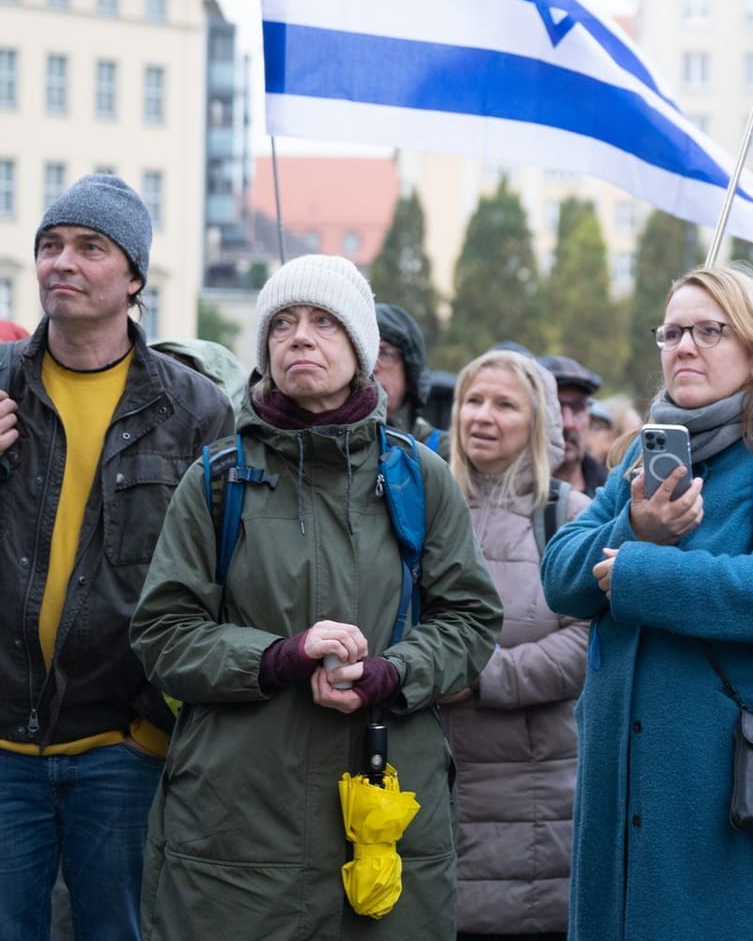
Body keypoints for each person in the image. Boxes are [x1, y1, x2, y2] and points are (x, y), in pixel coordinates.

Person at [131, 255, 504, 940]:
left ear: (361, 350)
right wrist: (279, 657)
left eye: (324, 322)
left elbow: (472, 619)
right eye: (282, 323)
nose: (299, 337)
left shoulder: (420, 477)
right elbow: (163, 633)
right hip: (237, 829)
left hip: (385, 807)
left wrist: (393, 673)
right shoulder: (217, 479)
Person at [540, 265, 753, 941]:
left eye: (710, 330)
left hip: (735, 801)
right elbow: (563, 574)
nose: (684, 345)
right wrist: (635, 528)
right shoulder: (647, 454)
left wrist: (639, 571)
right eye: (673, 330)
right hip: (622, 794)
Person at [0, 175, 234, 941]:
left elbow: (222, 584)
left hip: (123, 748)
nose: (62, 262)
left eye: (89, 248)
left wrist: (155, 726)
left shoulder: (197, 411)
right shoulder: (2, 388)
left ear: (134, 276)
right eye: (50, 245)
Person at [443, 350, 589, 941]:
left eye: (505, 404)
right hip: (435, 783)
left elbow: (588, 642)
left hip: (534, 800)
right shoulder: (420, 507)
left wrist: (487, 678)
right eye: (473, 400)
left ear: (539, 423)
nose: (483, 416)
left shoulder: (568, 517)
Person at [375, 302, 447, 456]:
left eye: (385, 353)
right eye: (364, 353)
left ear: (410, 371)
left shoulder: (439, 450)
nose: (372, 366)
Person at [538, 355, 608, 498]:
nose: (568, 423)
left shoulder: (613, 493)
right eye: (554, 408)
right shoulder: (506, 498)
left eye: (578, 408)